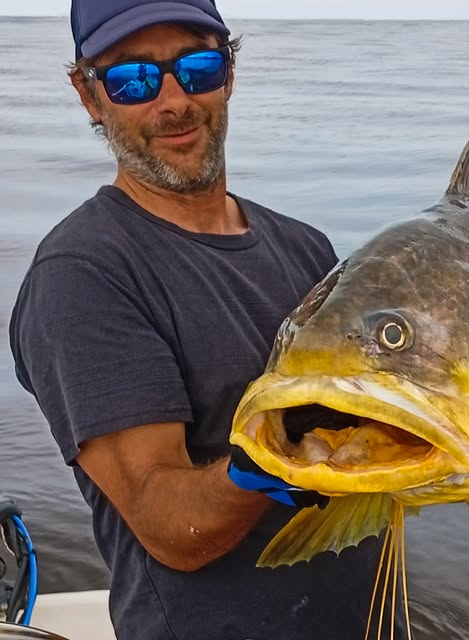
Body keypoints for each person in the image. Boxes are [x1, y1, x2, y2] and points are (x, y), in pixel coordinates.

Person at [9, 1, 395, 638]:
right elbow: (168, 526)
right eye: (132, 79)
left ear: (229, 74)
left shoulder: (306, 247)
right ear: (88, 95)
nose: (174, 101)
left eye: (197, 67)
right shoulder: (83, 275)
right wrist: (269, 459)